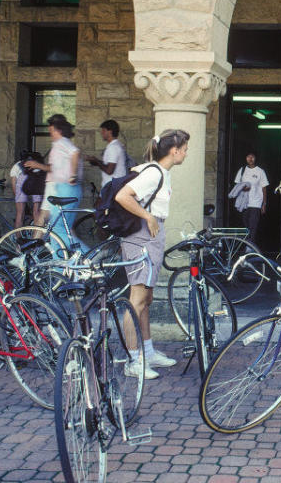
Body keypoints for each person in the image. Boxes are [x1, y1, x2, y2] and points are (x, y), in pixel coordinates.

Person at [115, 129, 190, 379]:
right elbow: (122, 196)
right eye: (185, 148)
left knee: (146, 298)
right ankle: (132, 360)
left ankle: (147, 351)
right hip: (141, 236)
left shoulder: (160, 172)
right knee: (136, 299)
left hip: (151, 235)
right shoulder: (154, 172)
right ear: (174, 150)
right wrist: (147, 216)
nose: (186, 152)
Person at [24, 114, 82, 249]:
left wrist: (72, 175)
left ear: (58, 130)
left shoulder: (61, 143)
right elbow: (55, 167)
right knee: (60, 227)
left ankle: (30, 252)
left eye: (51, 131)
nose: (50, 134)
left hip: (60, 187)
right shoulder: (61, 144)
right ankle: (62, 259)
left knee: (54, 226)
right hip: (60, 186)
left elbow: (75, 152)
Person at [230, 151, 268, 246]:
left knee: (253, 225)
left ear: (255, 158)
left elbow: (264, 188)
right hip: (244, 203)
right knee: (245, 225)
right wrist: (243, 187)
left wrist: (264, 204)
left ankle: (250, 246)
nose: (250, 159)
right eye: (248, 157)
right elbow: (237, 185)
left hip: (255, 202)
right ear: (246, 158)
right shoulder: (242, 170)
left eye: (252, 157)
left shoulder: (260, 171)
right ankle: (248, 244)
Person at [86, 119, 128, 188]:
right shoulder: (116, 145)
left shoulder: (113, 147)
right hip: (112, 185)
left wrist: (96, 161)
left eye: (103, 130)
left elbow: (109, 171)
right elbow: (110, 164)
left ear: (110, 131)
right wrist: (96, 162)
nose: (101, 133)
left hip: (112, 187)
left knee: (100, 199)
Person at [9, 150, 43, 228]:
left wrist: (17, 198)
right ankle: (37, 236)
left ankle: (18, 238)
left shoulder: (17, 165)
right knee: (36, 212)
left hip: (21, 181)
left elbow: (14, 184)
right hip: (36, 180)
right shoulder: (37, 164)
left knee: (20, 213)